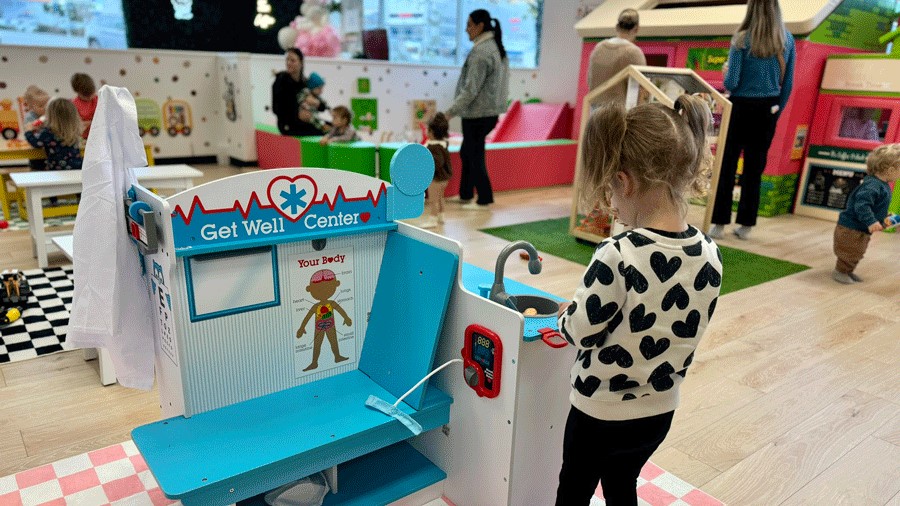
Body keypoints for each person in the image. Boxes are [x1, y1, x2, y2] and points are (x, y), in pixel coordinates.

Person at [554, 95, 722, 506]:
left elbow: (582, 329)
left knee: (574, 489)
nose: (612, 201)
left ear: (624, 182)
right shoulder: (710, 254)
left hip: (599, 409)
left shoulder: (619, 253)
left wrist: (565, 315)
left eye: (611, 188)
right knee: (621, 482)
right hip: (659, 411)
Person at [710, 0, 794, 240]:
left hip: (739, 108)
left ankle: (718, 223)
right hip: (768, 110)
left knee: (726, 166)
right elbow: (787, 84)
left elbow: (732, 83)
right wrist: (776, 110)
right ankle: (746, 225)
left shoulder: (741, 39)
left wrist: (726, 73)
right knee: (754, 169)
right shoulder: (786, 40)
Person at [444, 9, 509, 211]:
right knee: (468, 151)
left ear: (480, 26)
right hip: (485, 112)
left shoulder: (482, 52)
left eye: (469, 25)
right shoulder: (492, 47)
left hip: (479, 113)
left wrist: (449, 113)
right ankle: (465, 194)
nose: (466, 30)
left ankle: (484, 198)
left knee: (474, 154)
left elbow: (470, 90)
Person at [831, 143, 900, 284]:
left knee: (857, 252)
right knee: (849, 251)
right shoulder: (872, 186)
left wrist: (884, 216)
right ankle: (840, 271)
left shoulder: (881, 185)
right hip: (851, 228)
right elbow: (861, 205)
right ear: (891, 170)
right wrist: (871, 221)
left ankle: (847, 271)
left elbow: (875, 205)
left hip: (861, 228)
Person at [296, 269, 351, 372]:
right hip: (319, 328)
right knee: (317, 344)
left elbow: (340, 310)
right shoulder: (316, 306)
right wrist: (302, 327)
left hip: (331, 327)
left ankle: (337, 357)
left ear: (336, 284)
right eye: (319, 289)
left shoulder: (332, 303)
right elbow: (307, 317)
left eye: (328, 287)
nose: (324, 291)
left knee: (334, 342)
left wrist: (346, 318)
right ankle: (314, 362)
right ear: (310, 289)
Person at [587, 9, 645, 101]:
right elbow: (640, 89)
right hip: (617, 112)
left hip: (594, 109)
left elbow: (589, 81)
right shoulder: (634, 53)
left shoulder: (599, 48)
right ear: (637, 28)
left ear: (616, 27)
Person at [24, 98, 83, 171]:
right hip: (77, 168)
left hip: (57, 170)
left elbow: (36, 143)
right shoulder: (74, 129)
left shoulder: (48, 131)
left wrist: (28, 132)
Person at [419, 112, 453, 229]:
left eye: (428, 130)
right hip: (444, 178)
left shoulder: (434, 146)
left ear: (432, 133)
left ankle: (432, 218)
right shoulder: (443, 144)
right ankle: (441, 216)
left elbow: (437, 162)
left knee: (433, 199)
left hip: (436, 178)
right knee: (440, 197)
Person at [272, 48, 314, 136]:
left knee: (328, 126)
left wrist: (317, 105)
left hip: (302, 120)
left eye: (292, 60)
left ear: (301, 63)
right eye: (287, 60)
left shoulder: (304, 82)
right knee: (320, 131)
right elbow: (276, 109)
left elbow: (313, 102)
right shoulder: (281, 80)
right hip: (287, 124)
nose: (288, 63)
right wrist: (297, 114)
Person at [70, 73, 98, 139]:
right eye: (86, 96)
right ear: (78, 92)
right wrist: (83, 124)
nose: (90, 97)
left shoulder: (98, 99)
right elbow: (73, 125)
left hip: (99, 135)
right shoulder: (74, 105)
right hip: (84, 137)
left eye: (92, 93)